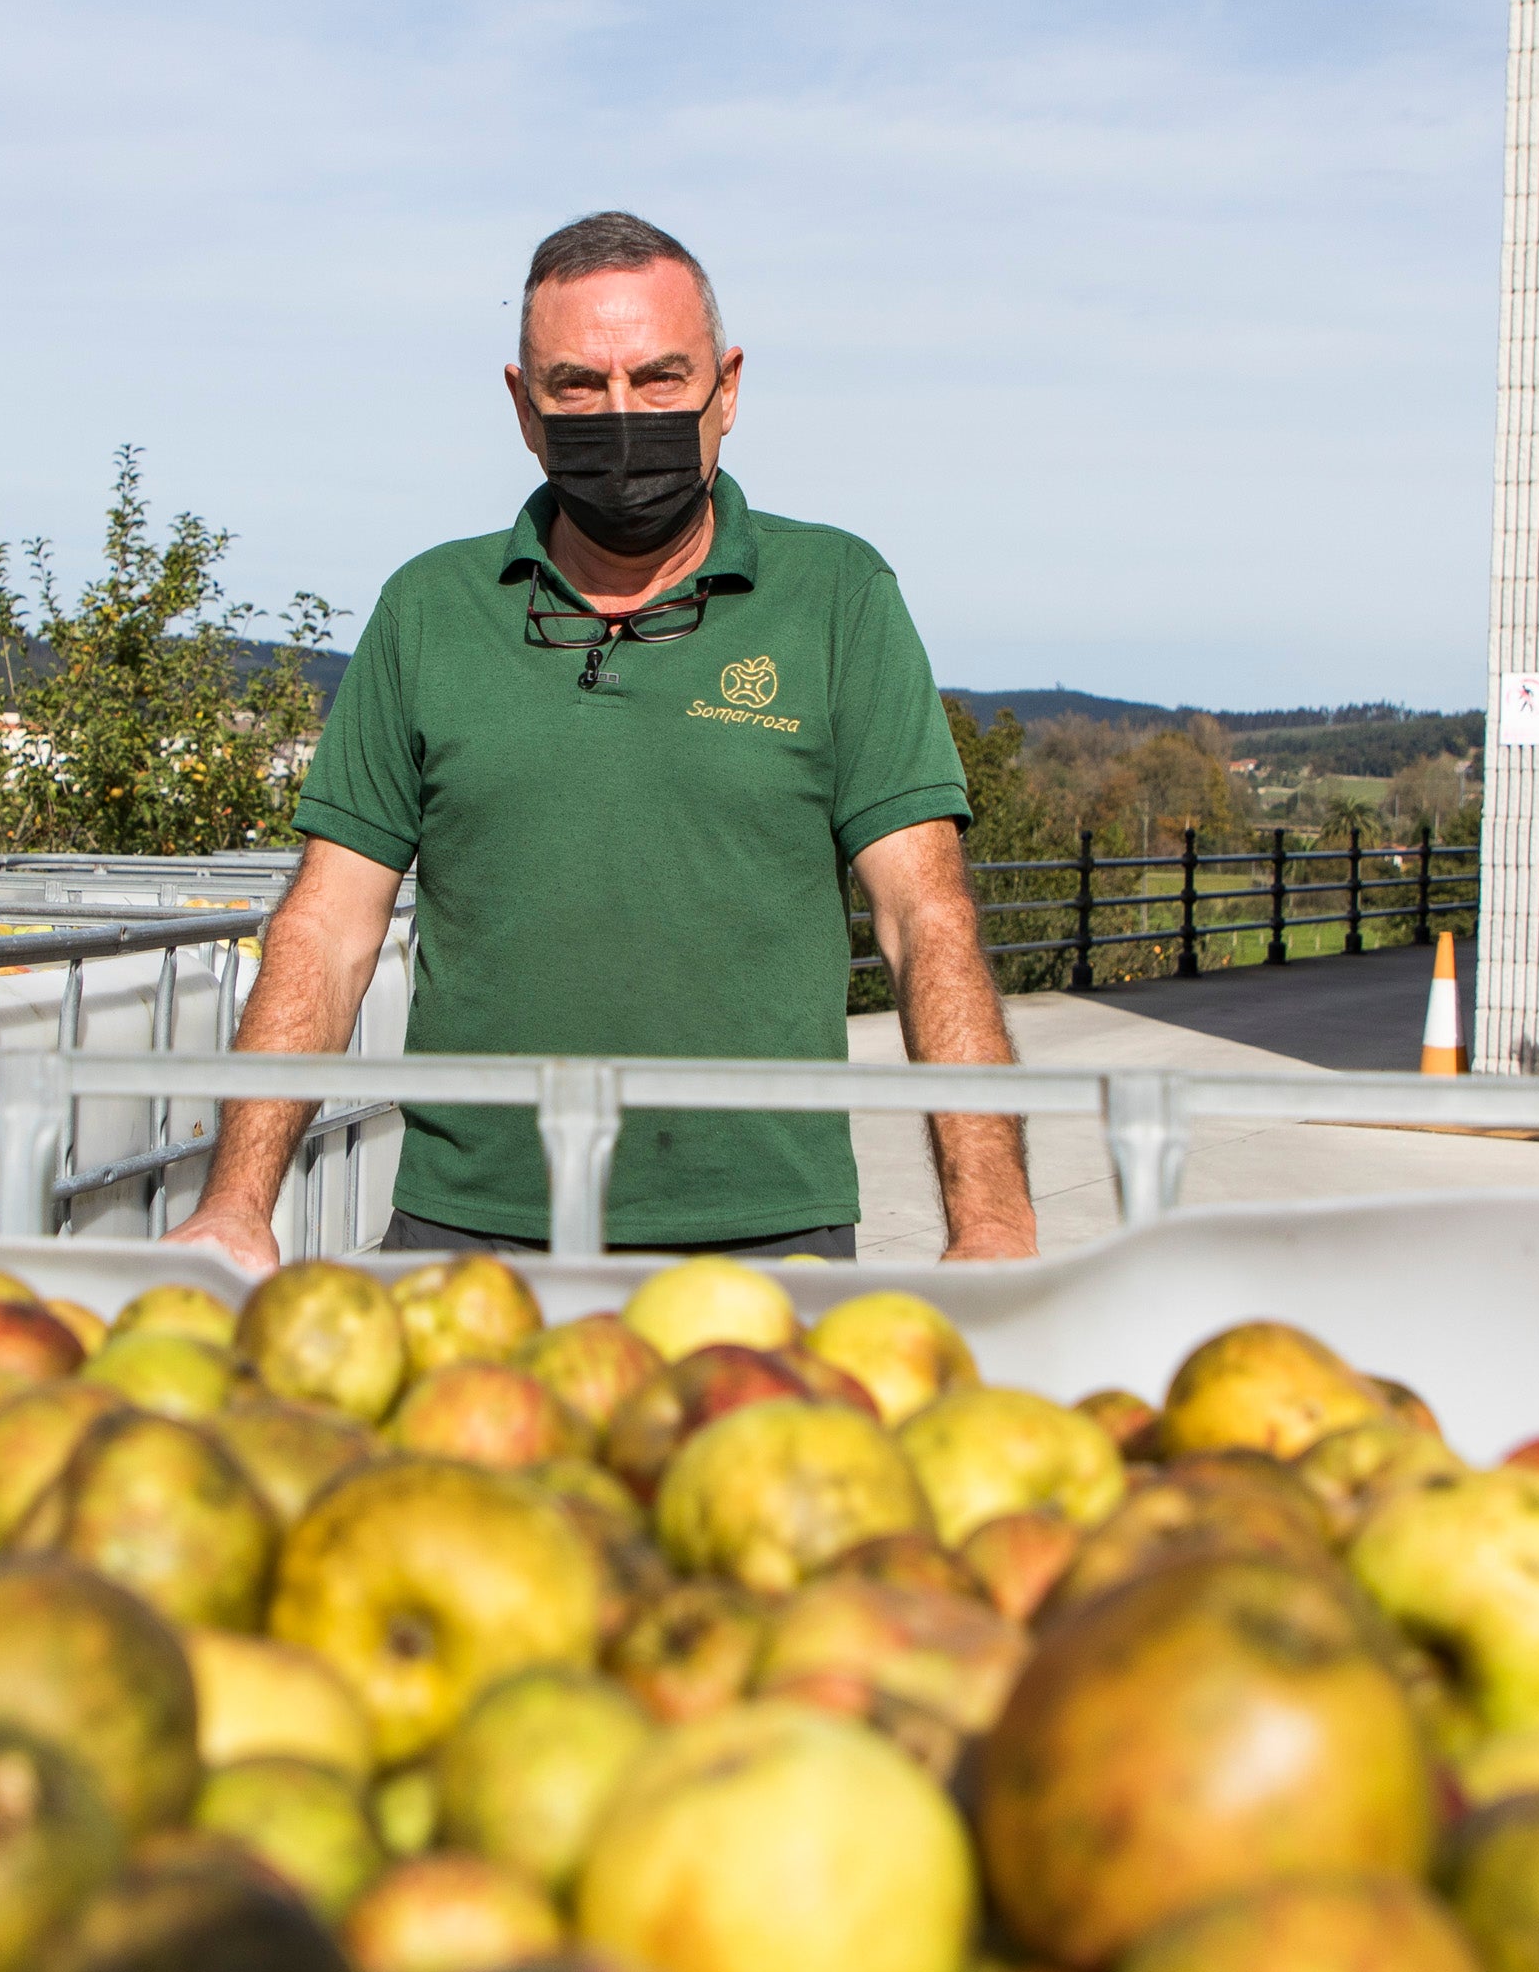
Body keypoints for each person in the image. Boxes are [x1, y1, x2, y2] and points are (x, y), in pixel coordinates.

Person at [165, 211, 1038, 1273]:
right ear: (522, 408)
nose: (620, 419)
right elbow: (328, 926)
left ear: (726, 388)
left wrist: (989, 1221)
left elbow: (924, 915)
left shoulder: (837, 597)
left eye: (658, 379)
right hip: (465, 1238)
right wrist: (235, 1204)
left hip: (764, 1240)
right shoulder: (428, 609)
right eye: (577, 387)